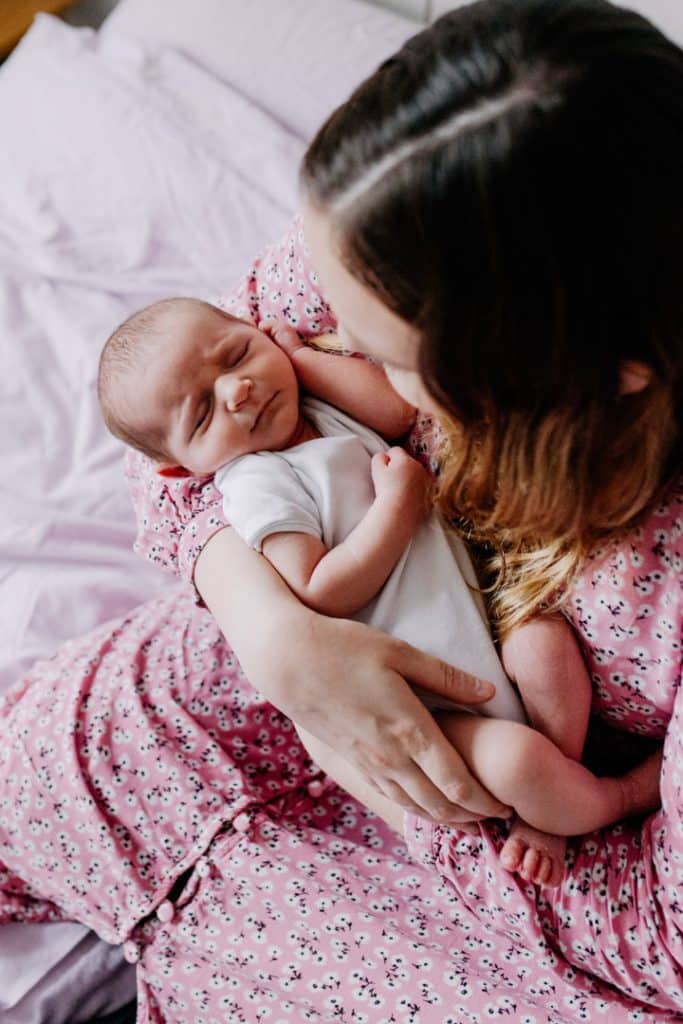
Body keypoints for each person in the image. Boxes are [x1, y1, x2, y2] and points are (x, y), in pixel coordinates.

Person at [0, 1, 681, 1019]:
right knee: (47, 769)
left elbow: (661, 940)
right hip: (221, 702)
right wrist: (275, 635)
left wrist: (436, 791)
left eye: (392, 363)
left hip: (515, 867)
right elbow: (175, 458)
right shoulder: (390, 227)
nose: (309, 357)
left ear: (596, 376)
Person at [99, 295, 654, 886]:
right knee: (517, 763)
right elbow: (319, 590)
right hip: (427, 700)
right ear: (182, 471)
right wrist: (397, 505)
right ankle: (608, 799)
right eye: (203, 414)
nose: (236, 391)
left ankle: (562, 777)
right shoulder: (257, 484)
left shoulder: (314, 408)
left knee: (544, 647)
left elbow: (393, 411)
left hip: (481, 631)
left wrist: (295, 358)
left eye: (236, 355)